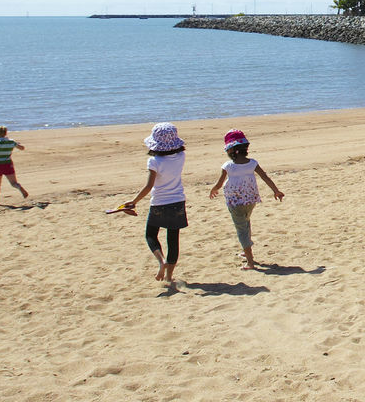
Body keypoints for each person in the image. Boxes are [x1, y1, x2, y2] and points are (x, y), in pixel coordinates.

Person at [116, 123, 189, 287]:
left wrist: (133, 202)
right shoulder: (180, 157)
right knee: (173, 239)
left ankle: (161, 261)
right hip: (177, 201)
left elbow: (149, 186)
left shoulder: (154, 161)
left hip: (159, 203)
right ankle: (169, 276)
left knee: (150, 234)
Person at [206, 129, 283, 269]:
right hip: (251, 200)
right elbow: (265, 177)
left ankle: (250, 262)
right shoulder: (252, 163)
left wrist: (214, 189)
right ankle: (245, 251)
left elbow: (219, 182)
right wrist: (276, 191)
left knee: (241, 229)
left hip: (235, 202)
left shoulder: (228, 166)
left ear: (231, 150)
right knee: (246, 223)